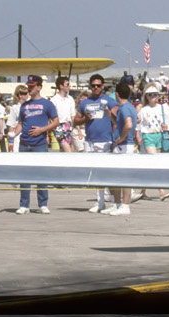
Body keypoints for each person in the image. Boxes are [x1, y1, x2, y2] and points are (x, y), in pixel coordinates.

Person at [10, 75, 58, 214]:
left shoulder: (47, 104)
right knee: (24, 174)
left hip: (40, 144)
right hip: (25, 144)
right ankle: (24, 204)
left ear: (39, 87)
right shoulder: (24, 105)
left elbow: (56, 121)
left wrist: (42, 130)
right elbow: (20, 123)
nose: (29, 88)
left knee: (41, 173)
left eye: (32, 86)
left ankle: (43, 204)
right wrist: (13, 135)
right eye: (28, 86)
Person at [76, 74, 117, 213]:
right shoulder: (85, 102)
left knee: (106, 173)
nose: (96, 88)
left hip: (105, 140)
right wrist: (85, 119)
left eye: (98, 85)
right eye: (93, 85)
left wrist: (115, 139)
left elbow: (117, 120)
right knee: (94, 174)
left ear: (103, 86)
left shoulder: (109, 101)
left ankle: (114, 202)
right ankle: (100, 202)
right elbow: (75, 121)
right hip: (90, 141)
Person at [136, 86, 169, 201]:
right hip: (148, 136)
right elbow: (138, 125)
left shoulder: (162, 108)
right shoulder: (143, 110)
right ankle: (161, 191)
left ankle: (142, 191)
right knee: (154, 163)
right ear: (146, 96)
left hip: (159, 135)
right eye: (150, 95)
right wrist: (138, 136)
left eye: (155, 94)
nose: (153, 97)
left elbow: (167, 123)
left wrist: (166, 127)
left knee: (151, 164)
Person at [106, 81, 138, 215]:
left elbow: (128, 125)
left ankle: (124, 205)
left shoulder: (124, 108)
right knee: (116, 176)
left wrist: (122, 138)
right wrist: (109, 115)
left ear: (117, 94)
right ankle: (117, 203)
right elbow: (120, 123)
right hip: (123, 145)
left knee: (123, 177)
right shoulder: (129, 107)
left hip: (123, 146)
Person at [49, 76, 77, 152]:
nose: (69, 86)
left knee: (67, 149)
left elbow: (72, 115)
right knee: (68, 149)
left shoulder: (70, 99)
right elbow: (51, 116)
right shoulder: (54, 100)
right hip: (58, 126)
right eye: (67, 85)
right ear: (61, 86)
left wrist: (73, 127)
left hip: (69, 125)